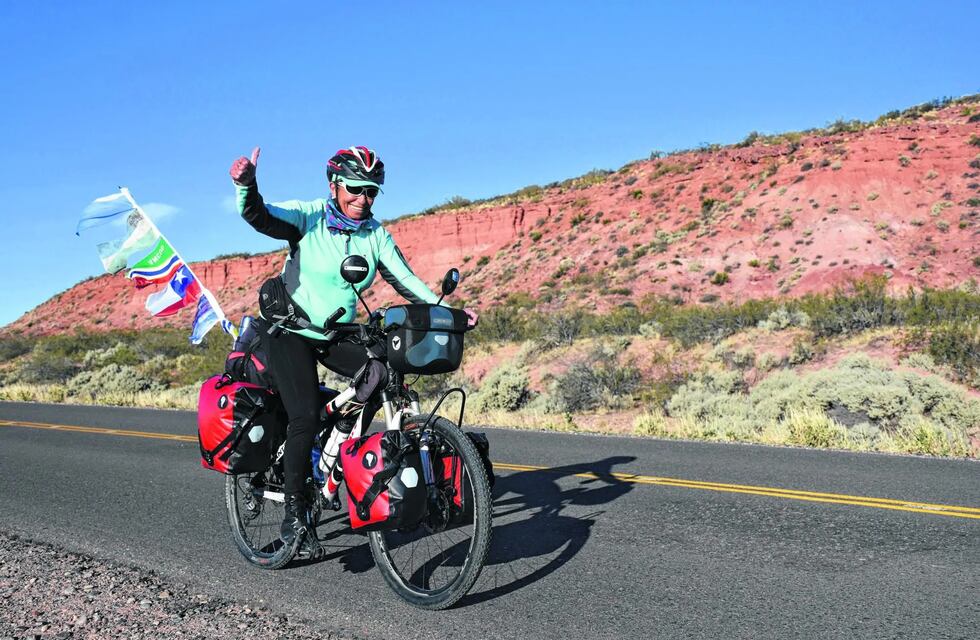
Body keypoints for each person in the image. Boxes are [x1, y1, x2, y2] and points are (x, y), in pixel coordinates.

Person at [229, 145, 477, 547]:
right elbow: (260, 216)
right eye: (356, 190)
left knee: (381, 373)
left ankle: (335, 453)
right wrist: (247, 186)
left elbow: (406, 280)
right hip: (290, 331)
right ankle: (296, 514)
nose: (363, 199)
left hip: (336, 334)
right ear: (335, 185)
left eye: (372, 192)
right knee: (304, 416)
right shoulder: (308, 218)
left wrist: (446, 313)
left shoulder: (375, 234)